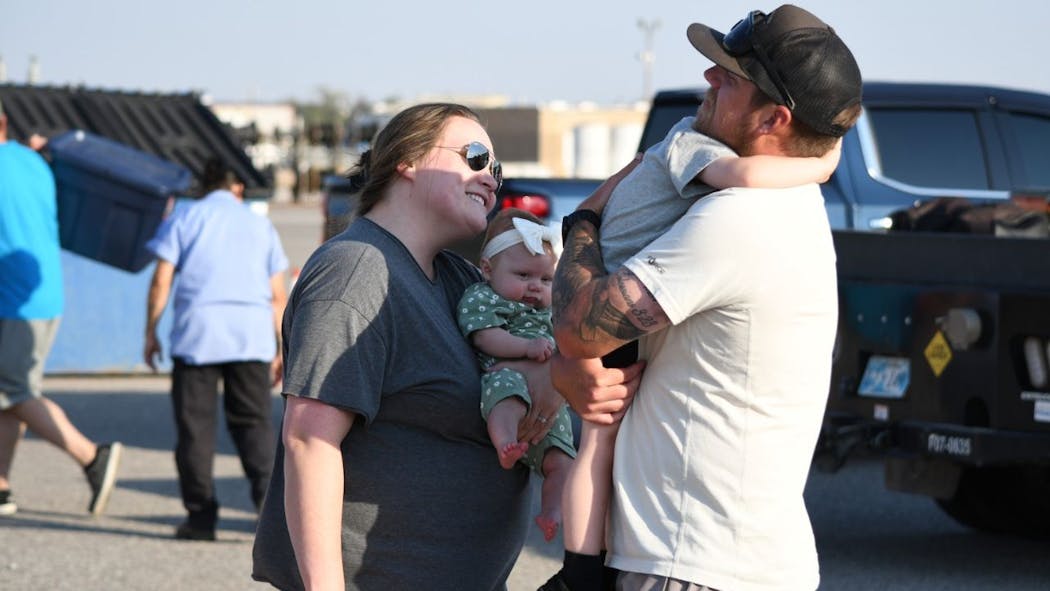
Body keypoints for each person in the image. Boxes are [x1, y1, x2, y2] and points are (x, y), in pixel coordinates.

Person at [546, 5, 863, 590]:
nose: (710, 79)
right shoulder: (780, 203)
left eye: (731, 78)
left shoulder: (742, 220)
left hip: (693, 565)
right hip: (713, 557)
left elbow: (576, 328)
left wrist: (583, 220)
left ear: (775, 119)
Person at [251, 103, 572, 590]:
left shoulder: (462, 282)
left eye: (497, 170)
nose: (491, 178)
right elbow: (310, 440)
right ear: (408, 159)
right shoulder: (358, 270)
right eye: (476, 156)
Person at [144, 158, 288, 541]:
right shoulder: (260, 225)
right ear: (237, 187)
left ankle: (201, 518)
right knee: (254, 427)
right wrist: (282, 347)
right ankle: (271, 516)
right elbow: (277, 296)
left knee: (195, 430)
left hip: (197, 337)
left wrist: (151, 332)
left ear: (205, 187)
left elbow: (161, 280)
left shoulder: (185, 219)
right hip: (251, 337)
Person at [0, 100, 123, 518]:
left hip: (13, 301)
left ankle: (91, 457)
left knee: (14, 392)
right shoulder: (34, 161)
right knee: (11, 390)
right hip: (44, 295)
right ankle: (1, 485)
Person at [458, 207, 574, 542]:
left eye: (546, 279)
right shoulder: (484, 297)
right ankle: (505, 441)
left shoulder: (550, 310)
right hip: (505, 373)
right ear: (488, 269)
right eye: (523, 276)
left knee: (564, 459)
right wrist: (525, 349)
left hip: (549, 407)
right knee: (505, 395)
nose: (535, 287)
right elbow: (484, 336)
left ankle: (552, 512)